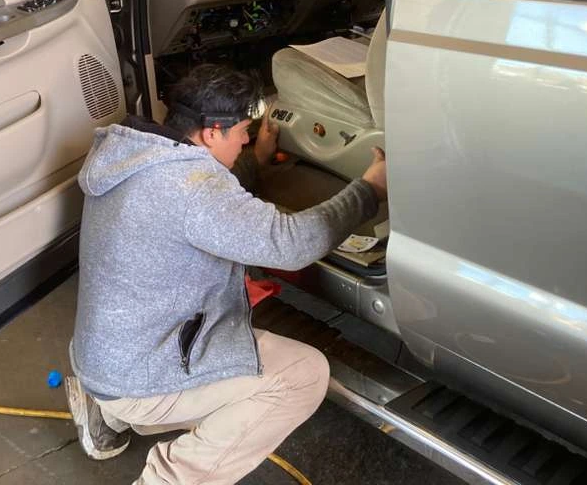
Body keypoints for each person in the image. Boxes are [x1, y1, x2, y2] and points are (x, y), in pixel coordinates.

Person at [65, 64, 387, 485]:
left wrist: (254, 161)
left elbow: (202, 200)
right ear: (212, 133)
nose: (247, 140)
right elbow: (290, 244)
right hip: (138, 374)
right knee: (303, 376)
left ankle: (104, 409)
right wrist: (369, 190)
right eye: (242, 134)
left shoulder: (134, 154)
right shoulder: (192, 188)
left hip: (105, 356)